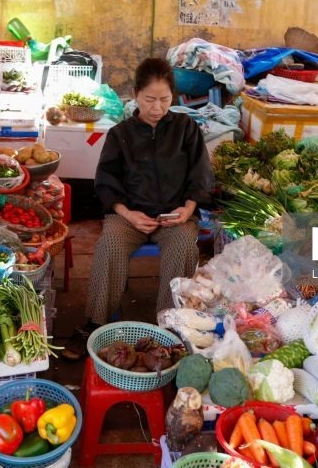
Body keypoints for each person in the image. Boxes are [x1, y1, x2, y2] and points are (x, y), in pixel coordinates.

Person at [62, 58, 215, 360]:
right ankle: (94, 324)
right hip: (128, 216)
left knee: (184, 245)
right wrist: (128, 214)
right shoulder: (121, 134)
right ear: (134, 94)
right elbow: (105, 182)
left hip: (174, 217)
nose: (157, 107)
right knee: (110, 244)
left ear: (173, 96)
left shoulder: (186, 129)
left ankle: (170, 329)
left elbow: (201, 175)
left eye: (164, 99)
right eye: (149, 99)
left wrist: (187, 209)